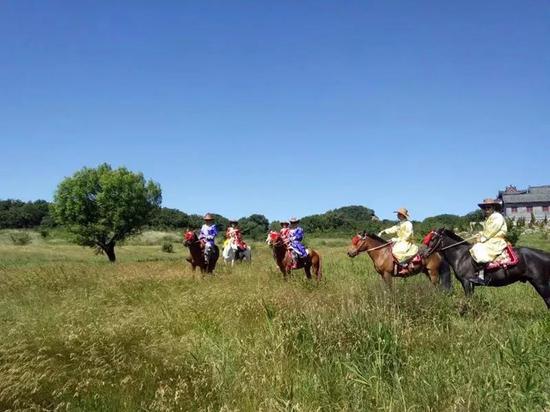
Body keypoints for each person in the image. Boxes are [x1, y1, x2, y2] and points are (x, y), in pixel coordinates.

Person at [469, 198, 508, 284]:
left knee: (478, 247)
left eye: (488, 207)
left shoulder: (497, 216)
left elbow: (492, 231)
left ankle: (481, 276)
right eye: (485, 208)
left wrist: (482, 238)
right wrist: (480, 234)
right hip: (491, 239)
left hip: (496, 241)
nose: (486, 209)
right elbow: (487, 231)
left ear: (493, 207)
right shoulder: (489, 218)